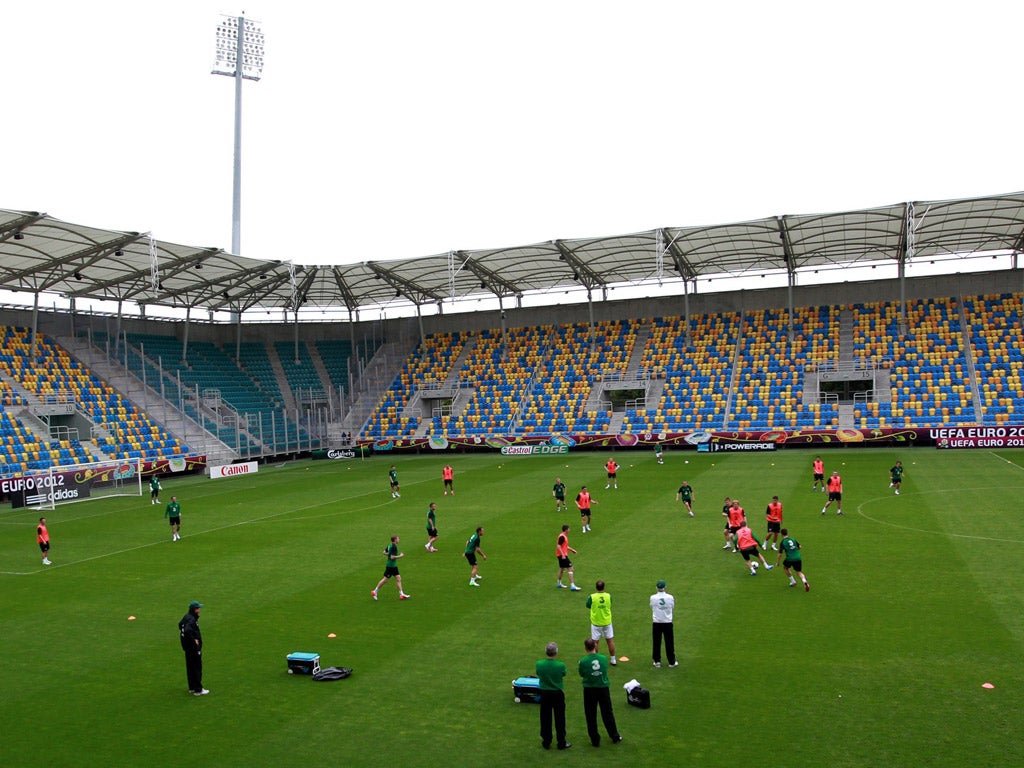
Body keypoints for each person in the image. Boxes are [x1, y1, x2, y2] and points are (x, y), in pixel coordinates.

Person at [578, 637, 622, 747]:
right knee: (607, 712)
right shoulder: (603, 658)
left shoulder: (583, 661)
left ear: (585, 648)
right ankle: (614, 736)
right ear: (595, 646)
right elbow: (604, 670)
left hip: (589, 689)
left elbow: (582, 674)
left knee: (590, 714)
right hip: (603, 688)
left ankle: (595, 740)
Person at [536, 642, 571, 750]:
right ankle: (561, 742)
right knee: (560, 718)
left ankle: (546, 741)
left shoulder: (539, 664)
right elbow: (563, 674)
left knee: (545, 718)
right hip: (557, 693)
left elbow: (538, 673)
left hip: (545, 693)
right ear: (556, 652)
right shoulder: (560, 665)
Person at [178, 600, 208, 695]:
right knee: (196, 667)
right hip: (193, 647)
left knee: (190, 667)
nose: (199, 610)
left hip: (187, 647)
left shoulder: (187, 617)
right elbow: (187, 630)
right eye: (198, 608)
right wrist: (194, 640)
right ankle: (198, 689)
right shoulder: (192, 619)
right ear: (195, 609)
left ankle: (192, 687)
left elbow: (180, 625)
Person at [586, 580, 616, 665]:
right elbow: (610, 604)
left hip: (596, 622)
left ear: (596, 587)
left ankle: (596, 660)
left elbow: (588, 605)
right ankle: (613, 660)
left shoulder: (592, 597)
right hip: (607, 622)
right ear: (604, 587)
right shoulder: (608, 596)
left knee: (595, 642)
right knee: (610, 641)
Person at [372, 535, 410, 600]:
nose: (399, 540)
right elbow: (392, 557)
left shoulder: (390, 545)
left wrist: (389, 555)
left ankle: (401, 594)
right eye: (398, 538)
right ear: (395, 540)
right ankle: (375, 591)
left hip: (393, 565)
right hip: (391, 566)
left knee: (398, 578)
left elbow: (384, 552)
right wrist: (400, 556)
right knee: (385, 580)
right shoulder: (394, 547)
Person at [650, 580, 677, 668]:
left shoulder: (653, 597)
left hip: (657, 622)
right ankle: (671, 662)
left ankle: (657, 661)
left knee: (656, 642)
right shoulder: (670, 597)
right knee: (669, 642)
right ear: (665, 587)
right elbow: (672, 607)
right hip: (667, 622)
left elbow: (652, 606)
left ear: (657, 588)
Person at [555, 525, 582, 591]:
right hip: (562, 556)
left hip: (560, 555)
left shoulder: (564, 536)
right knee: (571, 569)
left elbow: (565, 546)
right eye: (569, 529)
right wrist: (563, 555)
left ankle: (559, 583)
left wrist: (572, 550)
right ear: (566, 530)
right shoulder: (562, 537)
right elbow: (558, 546)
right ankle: (572, 586)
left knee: (562, 569)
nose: (570, 530)